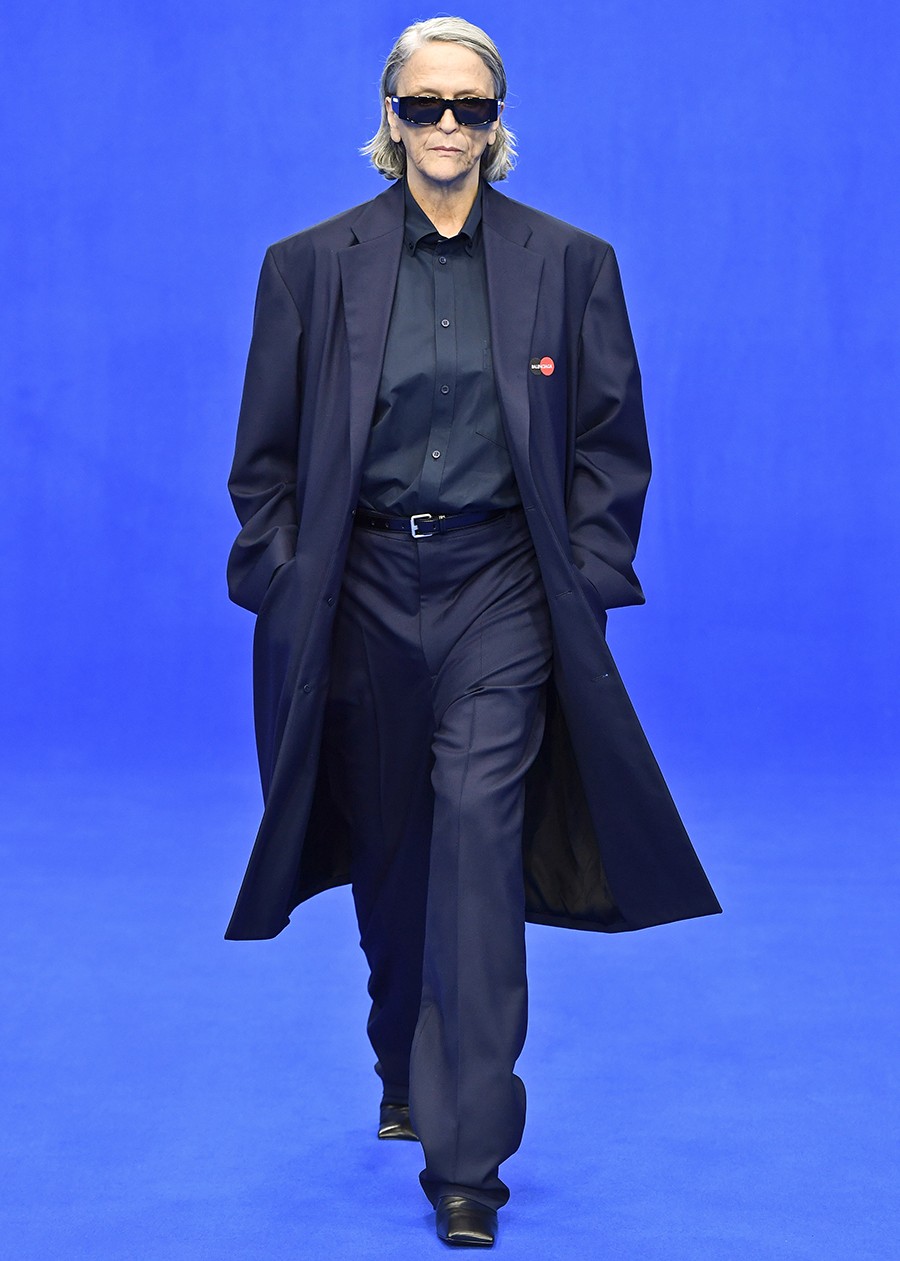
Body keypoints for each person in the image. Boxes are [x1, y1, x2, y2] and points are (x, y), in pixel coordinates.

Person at [225, 16, 721, 1248]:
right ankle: (405, 1062)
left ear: (500, 125)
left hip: (502, 586)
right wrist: (285, 577)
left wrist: (584, 581)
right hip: (357, 591)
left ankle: (468, 1162)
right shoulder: (308, 266)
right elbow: (264, 462)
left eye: (471, 107)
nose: (447, 125)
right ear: (389, 120)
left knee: (477, 852)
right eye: (425, 105)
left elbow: (611, 443)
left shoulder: (571, 262)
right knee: (390, 853)